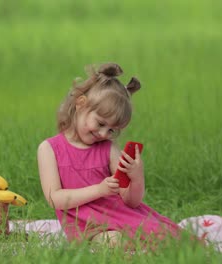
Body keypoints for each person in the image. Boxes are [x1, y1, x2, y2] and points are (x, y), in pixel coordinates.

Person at [37, 62, 179, 249]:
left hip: (120, 216)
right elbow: (55, 199)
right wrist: (100, 190)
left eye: (112, 130)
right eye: (101, 124)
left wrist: (136, 177)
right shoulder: (49, 149)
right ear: (81, 105)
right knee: (115, 242)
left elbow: (131, 201)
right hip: (88, 228)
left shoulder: (108, 149)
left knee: (167, 236)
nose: (104, 134)